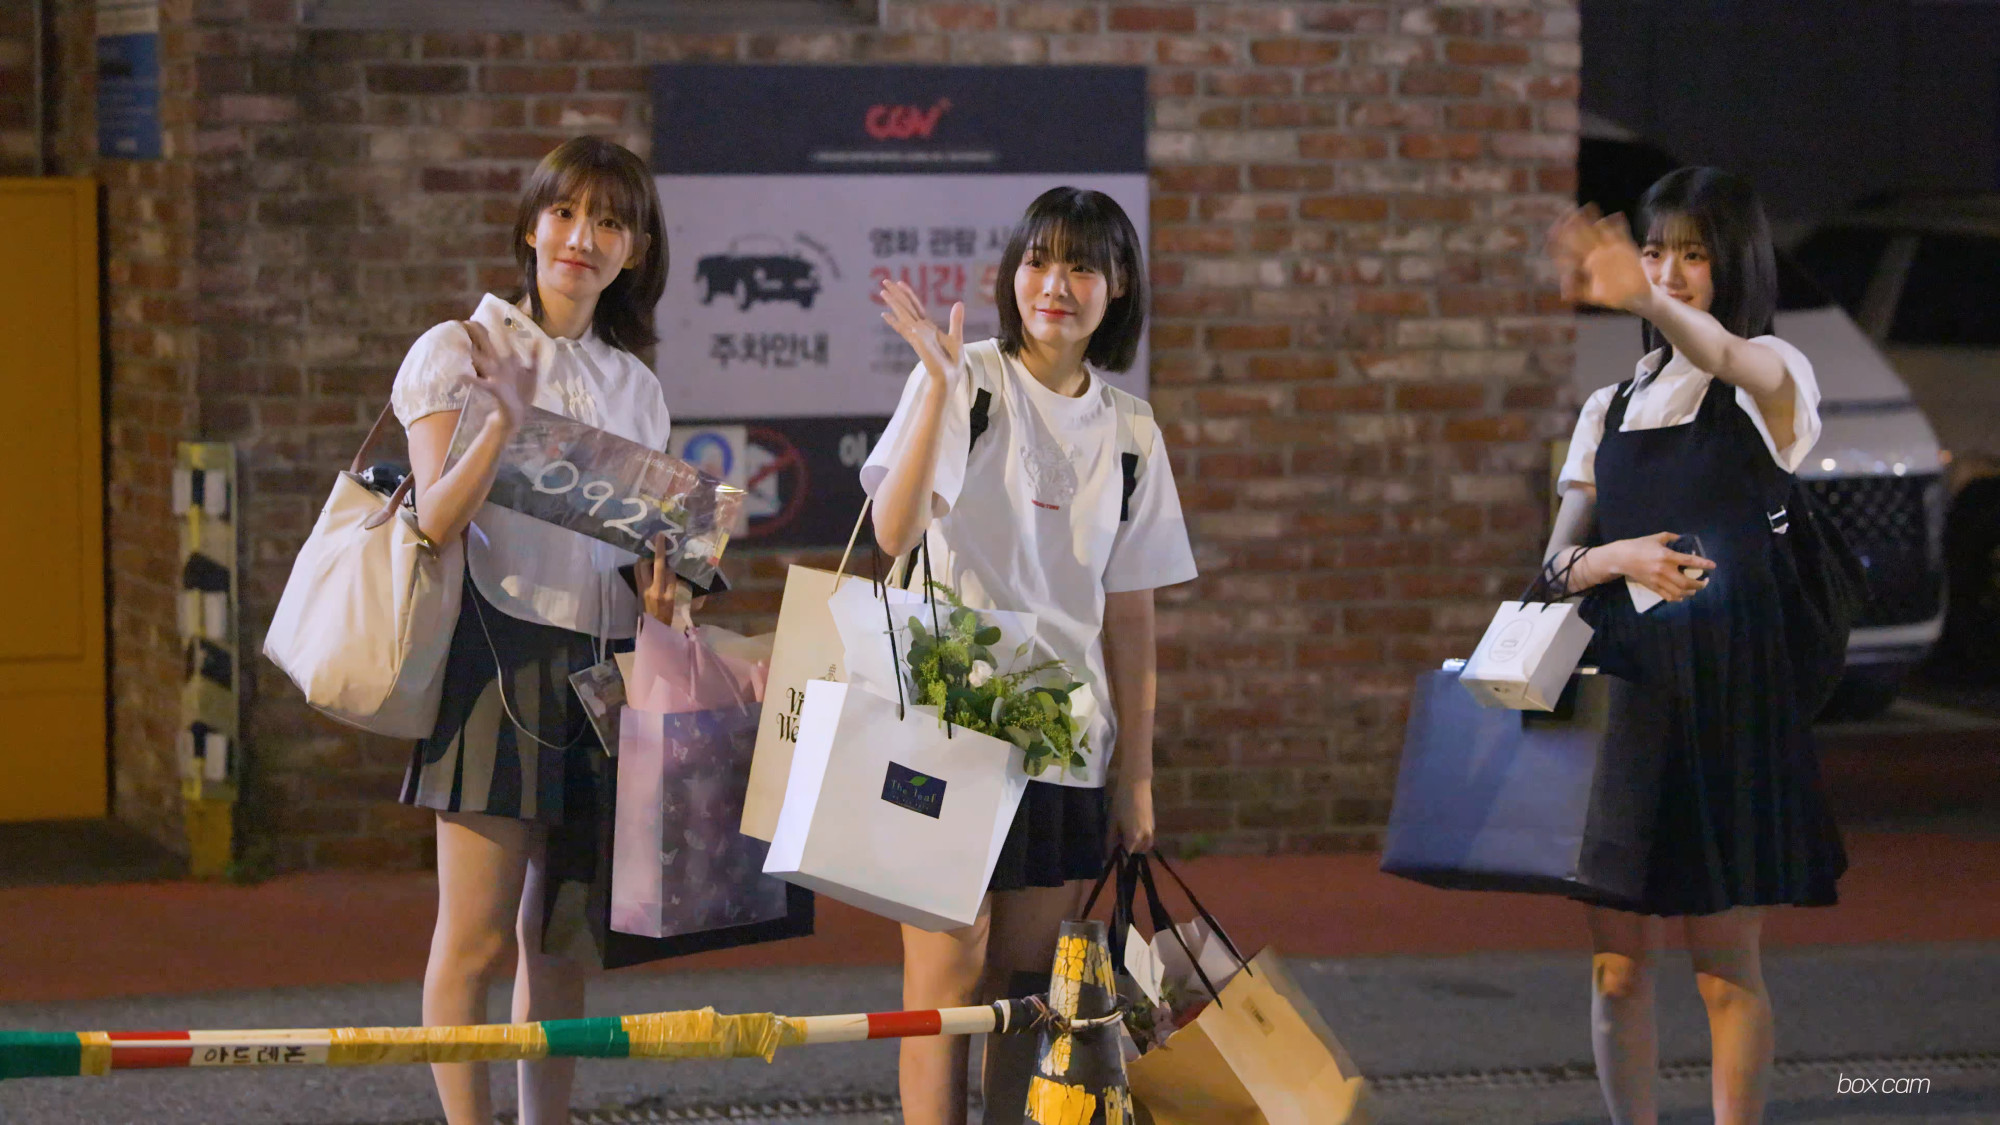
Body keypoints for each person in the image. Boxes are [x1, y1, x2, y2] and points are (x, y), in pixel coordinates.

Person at [861, 187, 1198, 1125]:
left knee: (1027, 989)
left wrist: (1137, 776)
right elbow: (892, 533)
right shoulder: (965, 378)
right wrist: (935, 388)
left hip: (1062, 734)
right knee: (943, 981)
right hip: (944, 721)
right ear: (1013, 274)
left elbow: (1130, 613)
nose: (1056, 284)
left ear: (1117, 287)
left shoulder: (1131, 431)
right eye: (1040, 261)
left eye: (1082, 266)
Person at [388, 136, 692, 1125]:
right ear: (530, 225)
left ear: (635, 250)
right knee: (474, 939)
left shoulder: (636, 385)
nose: (582, 238)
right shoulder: (460, 349)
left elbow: (638, 547)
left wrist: (665, 597)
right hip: (494, 656)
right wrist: (498, 422)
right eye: (565, 213)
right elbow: (433, 520)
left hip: (603, 671)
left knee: (561, 946)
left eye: (610, 222)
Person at [1543, 168, 1849, 1125]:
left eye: (1694, 254)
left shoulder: (1771, 371)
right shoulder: (1609, 405)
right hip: (1624, 696)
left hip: (1725, 700)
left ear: (1735, 264)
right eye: (1653, 251)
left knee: (1725, 970)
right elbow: (1553, 566)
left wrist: (1644, 300)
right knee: (1617, 966)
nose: (1669, 272)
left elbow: (1719, 350)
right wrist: (1618, 557)